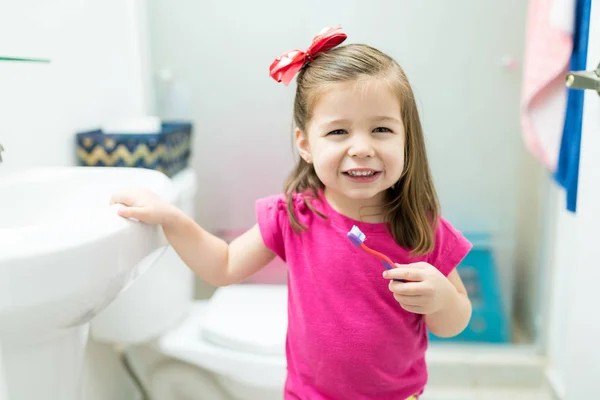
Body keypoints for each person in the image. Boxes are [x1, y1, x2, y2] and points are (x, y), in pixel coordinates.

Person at [110, 26, 473, 400]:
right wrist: (173, 218)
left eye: (381, 129)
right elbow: (223, 264)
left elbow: (454, 320)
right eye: (338, 132)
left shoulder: (420, 227)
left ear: (406, 139)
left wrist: (442, 298)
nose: (362, 147)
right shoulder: (294, 215)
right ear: (306, 144)